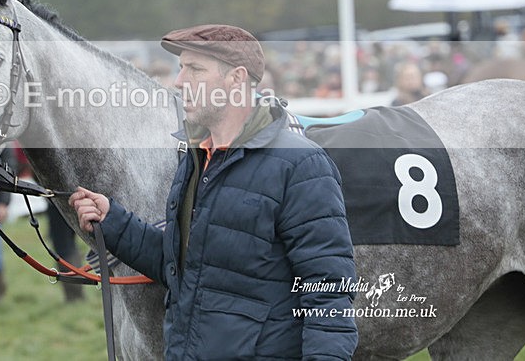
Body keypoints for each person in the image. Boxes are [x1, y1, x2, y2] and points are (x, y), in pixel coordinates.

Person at [70, 25, 358, 360]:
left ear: (236, 79)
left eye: (195, 69)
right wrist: (115, 222)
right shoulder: (195, 159)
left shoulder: (301, 164)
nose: (179, 81)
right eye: (181, 68)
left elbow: (328, 294)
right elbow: (181, 267)